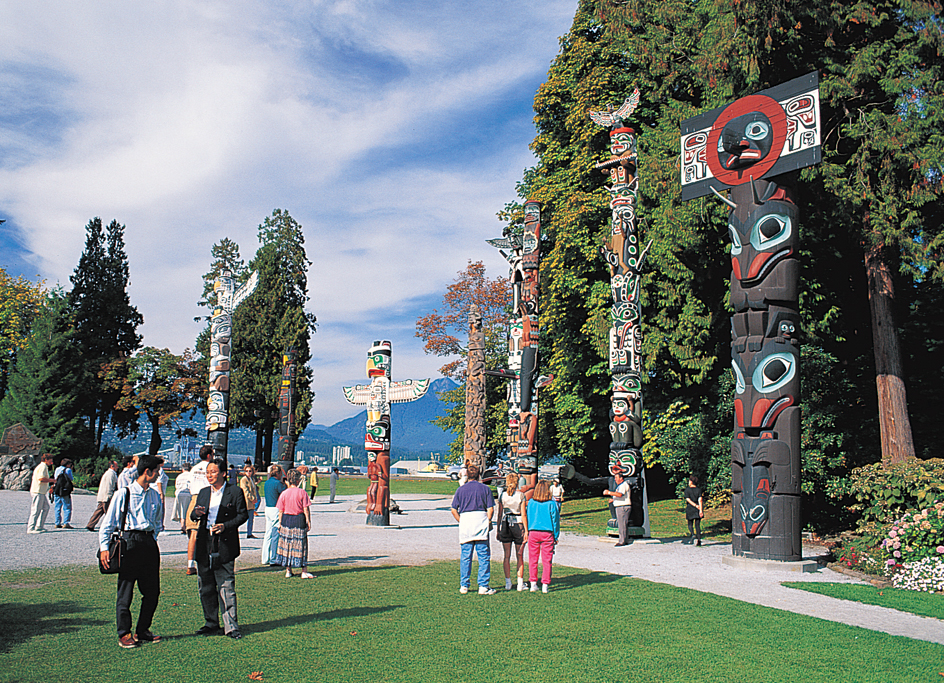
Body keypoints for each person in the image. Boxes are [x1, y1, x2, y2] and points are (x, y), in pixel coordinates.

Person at [99, 454, 165, 648]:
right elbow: (108, 523)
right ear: (148, 472)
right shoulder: (124, 493)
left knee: (152, 591)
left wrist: (152, 537)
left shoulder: (154, 494)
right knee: (126, 591)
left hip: (148, 542)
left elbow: (158, 521)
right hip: (129, 541)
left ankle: (142, 630)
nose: (158, 475)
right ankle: (124, 633)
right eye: (157, 471)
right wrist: (104, 547)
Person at [190, 458, 249, 639]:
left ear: (223, 473)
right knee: (205, 586)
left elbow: (243, 515)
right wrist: (196, 513)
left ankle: (230, 626)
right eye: (207, 472)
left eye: (213, 472)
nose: (209, 475)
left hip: (224, 542)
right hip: (204, 543)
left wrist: (225, 526)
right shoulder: (203, 492)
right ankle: (211, 622)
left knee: (226, 584)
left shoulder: (235, 491)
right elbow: (193, 515)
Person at [450, 464, 495, 595]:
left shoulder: (461, 490)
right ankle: (483, 585)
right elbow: (490, 508)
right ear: (479, 474)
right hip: (480, 521)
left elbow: (453, 509)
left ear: (467, 475)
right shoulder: (485, 489)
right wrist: (488, 520)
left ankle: (464, 585)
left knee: (466, 556)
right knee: (483, 556)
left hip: (466, 522)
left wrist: (460, 520)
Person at [276, 469, 314, 579]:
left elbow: (280, 511)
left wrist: (279, 523)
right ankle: (304, 571)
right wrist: (308, 521)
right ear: (298, 480)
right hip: (299, 518)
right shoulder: (302, 492)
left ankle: (288, 570)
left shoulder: (284, 493)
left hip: (286, 519)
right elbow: (306, 509)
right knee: (301, 545)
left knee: (287, 545)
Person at [527, 480, 560, 593]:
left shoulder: (531, 502)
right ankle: (545, 584)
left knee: (533, 559)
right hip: (547, 532)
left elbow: (528, 517)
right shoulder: (552, 503)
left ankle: (533, 583)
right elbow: (555, 521)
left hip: (533, 532)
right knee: (547, 560)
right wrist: (556, 536)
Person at [497, 472, 529, 591]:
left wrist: (498, 528)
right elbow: (524, 514)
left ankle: (508, 582)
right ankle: (520, 583)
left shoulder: (503, 495)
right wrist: (526, 530)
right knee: (519, 555)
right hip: (518, 523)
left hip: (505, 523)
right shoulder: (521, 495)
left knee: (506, 555)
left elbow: (500, 513)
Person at [185, 445, 214, 575]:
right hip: (206, 497)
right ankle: (209, 560)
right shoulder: (211, 468)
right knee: (209, 531)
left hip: (194, 497)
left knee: (193, 533)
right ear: (209, 455)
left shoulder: (194, 468)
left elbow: (189, 484)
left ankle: (190, 564)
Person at [261, 465, 287, 566]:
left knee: (268, 534)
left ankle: (265, 558)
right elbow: (284, 494)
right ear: (277, 473)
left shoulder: (267, 482)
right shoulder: (278, 484)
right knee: (275, 534)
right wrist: (285, 484)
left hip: (268, 508)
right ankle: (274, 558)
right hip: (276, 508)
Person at [86, 460, 120, 531]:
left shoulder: (108, 473)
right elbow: (109, 485)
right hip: (106, 497)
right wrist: (110, 496)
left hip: (103, 496)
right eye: (116, 465)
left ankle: (90, 524)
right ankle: (113, 526)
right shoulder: (111, 474)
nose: (118, 467)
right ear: (112, 466)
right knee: (110, 512)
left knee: (99, 511)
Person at [27, 453, 55, 533]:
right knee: (36, 510)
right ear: (46, 460)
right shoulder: (42, 467)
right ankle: (31, 528)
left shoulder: (43, 466)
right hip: (38, 491)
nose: (51, 462)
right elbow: (41, 478)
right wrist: (52, 480)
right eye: (50, 460)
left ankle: (39, 526)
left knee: (46, 508)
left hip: (41, 492)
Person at [604, 472, 632, 547]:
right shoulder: (620, 486)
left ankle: (622, 541)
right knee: (621, 523)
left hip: (623, 507)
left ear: (621, 478)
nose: (615, 480)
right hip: (620, 506)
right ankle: (624, 539)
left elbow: (620, 494)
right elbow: (621, 496)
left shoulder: (623, 485)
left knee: (622, 524)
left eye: (616, 478)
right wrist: (613, 500)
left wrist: (609, 492)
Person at [52, 458, 75, 528]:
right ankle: (66, 522)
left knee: (57, 507)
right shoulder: (68, 470)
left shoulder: (57, 469)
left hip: (57, 489)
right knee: (67, 507)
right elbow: (71, 479)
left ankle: (57, 522)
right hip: (64, 490)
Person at [239, 464, 259, 539]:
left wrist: (255, 499)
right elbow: (245, 491)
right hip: (246, 502)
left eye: (250, 471)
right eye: (246, 471)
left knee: (251, 519)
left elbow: (254, 490)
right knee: (242, 518)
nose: (248, 472)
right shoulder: (244, 480)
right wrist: (252, 498)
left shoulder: (252, 479)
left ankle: (249, 533)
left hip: (251, 503)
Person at [172, 464, 193, 534]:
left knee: (181, 511)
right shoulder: (191, 475)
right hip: (188, 494)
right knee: (187, 510)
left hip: (179, 494)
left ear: (183, 469)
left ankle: (182, 526)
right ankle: (186, 526)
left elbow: (176, 486)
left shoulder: (179, 476)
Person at [684, 474, 704, 546]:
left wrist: (694, 505)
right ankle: (699, 540)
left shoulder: (687, 490)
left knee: (690, 523)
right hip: (697, 509)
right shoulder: (698, 490)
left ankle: (692, 534)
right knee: (697, 525)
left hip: (690, 508)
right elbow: (700, 499)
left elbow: (688, 499)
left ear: (691, 481)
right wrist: (700, 509)